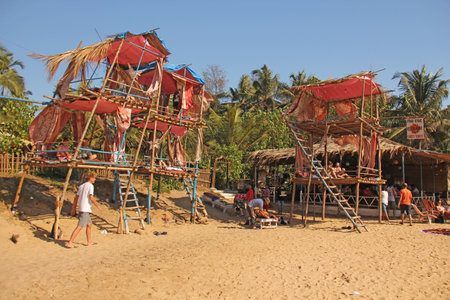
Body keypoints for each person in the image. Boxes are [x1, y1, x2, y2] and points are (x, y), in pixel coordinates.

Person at [65, 172, 102, 248]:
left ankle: (89, 241)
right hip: (85, 209)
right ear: (90, 178)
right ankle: (70, 242)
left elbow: (76, 198)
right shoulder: (90, 186)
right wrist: (98, 206)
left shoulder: (81, 186)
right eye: (94, 178)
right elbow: (91, 197)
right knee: (80, 226)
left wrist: (73, 209)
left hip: (82, 208)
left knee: (89, 224)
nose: (95, 179)